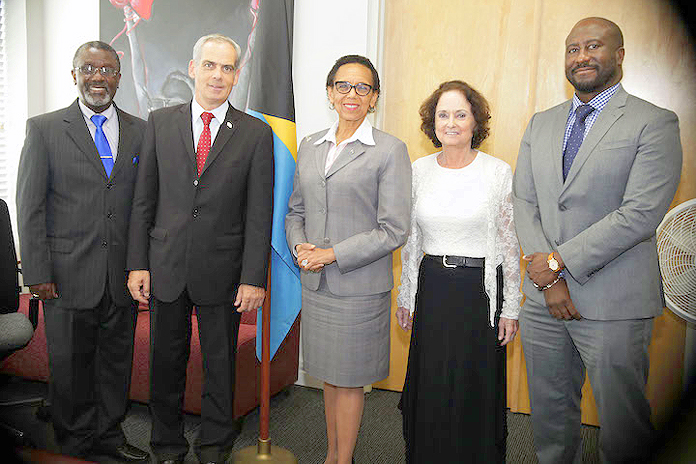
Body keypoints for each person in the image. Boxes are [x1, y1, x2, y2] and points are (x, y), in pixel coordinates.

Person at [512, 17, 682, 463]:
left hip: (615, 302)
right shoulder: (542, 123)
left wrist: (555, 264)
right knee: (549, 418)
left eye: (593, 46)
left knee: (623, 425)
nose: (582, 56)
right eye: (573, 49)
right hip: (544, 302)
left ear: (620, 55)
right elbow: (523, 201)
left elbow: (640, 214)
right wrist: (548, 279)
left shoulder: (654, 122)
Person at [126, 33, 274, 464]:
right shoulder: (160, 122)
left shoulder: (254, 133)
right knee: (165, 364)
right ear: (193, 68)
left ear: (236, 75)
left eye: (227, 68)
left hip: (224, 273)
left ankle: (214, 445)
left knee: (219, 367)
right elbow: (144, 200)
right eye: (210, 65)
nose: (218, 75)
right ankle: (166, 445)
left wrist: (253, 277)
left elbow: (258, 211)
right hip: (165, 266)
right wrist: (138, 263)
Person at [15, 41, 148, 461]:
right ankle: (73, 445)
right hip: (66, 274)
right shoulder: (45, 128)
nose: (98, 77)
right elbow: (30, 206)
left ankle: (109, 437)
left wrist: (141, 265)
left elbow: (145, 206)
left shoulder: (142, 131)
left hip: (121, 276)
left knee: (115, 365)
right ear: (73, 75)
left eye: (107, 70)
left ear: (119, 78)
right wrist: (37, 272)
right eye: (89, 68)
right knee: (70, 368)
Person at [285, 54, 411, 464]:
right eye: (343, 86)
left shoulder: (390, 150)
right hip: (317, 285)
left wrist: (331, 254)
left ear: (373, 98)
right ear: (329, 92)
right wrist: (301, 247)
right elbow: (295, 211)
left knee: (350, 382)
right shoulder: (310, 144)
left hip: (357, 288)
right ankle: (332, 456)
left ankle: (343, 460)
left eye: (363, 88)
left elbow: (394, 229)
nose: (352, 94)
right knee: (328, 380)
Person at [396, 81, 521, 463]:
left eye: (460, 114)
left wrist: (511, 307)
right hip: (432, 289)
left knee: (474, 387)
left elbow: (509, 242)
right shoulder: (417, 170)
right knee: (431, 385)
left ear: (475, 122)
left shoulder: (497, 172)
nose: (451, 122)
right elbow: (411, 240)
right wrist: (406, 294)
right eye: (443, 114)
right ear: (432, 122)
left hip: (479, 294)